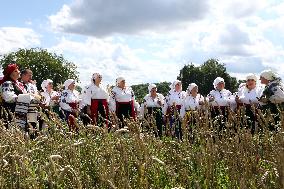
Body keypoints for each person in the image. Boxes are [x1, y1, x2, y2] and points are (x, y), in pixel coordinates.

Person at [0, 64, 26, 128]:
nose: (19, 72)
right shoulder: (7, 83)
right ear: (11, 73)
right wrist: (23, 97)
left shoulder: (19, 84)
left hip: (21, 113)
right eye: (16, 71)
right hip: (10, 113)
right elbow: (8, 97)